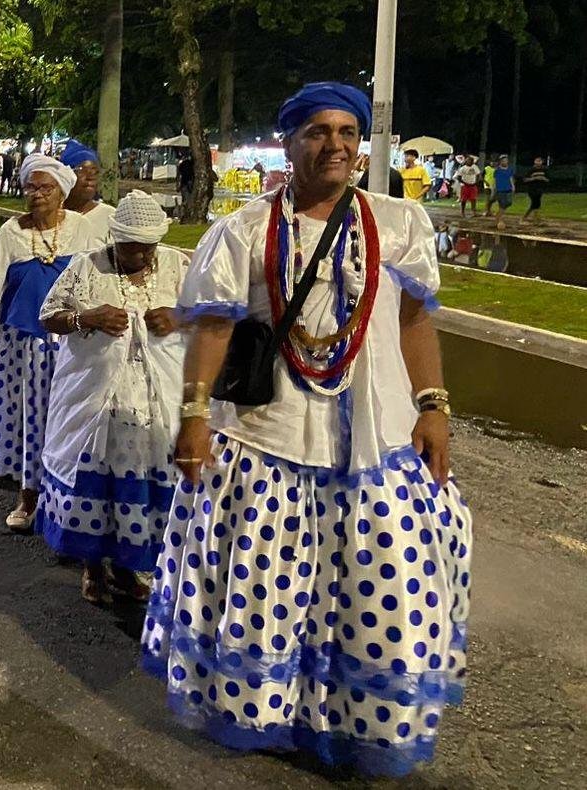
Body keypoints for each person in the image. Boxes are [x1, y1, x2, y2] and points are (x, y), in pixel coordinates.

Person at [147, 82, 472, 776]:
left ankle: (359, 721)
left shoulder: (398, 222)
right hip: (267, 436)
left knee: (379, 583)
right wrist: (194, 417)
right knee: (267, 586)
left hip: (375, 436)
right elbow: (211, 327)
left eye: (347, 133)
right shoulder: (240, 230)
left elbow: (414, 320)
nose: (335, 146)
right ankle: (269, 711)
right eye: (318, 132)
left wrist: (432, 405)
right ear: (288, 143)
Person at [36, 191, 187, 604]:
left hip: (155, 407)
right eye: (129, 247)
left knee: (138, 490)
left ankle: (126, 566)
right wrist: (88, 317)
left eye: (146, 247)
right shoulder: (89, 266)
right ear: (115, 239)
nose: (138, 255)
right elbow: (48, 314)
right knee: (97, 487)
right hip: (98, 404)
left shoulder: (177, 265)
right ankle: (93, 568)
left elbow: (211, 313)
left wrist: (178, 318)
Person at [0, 154, 101, 531]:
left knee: (72, 420)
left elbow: (102, 278)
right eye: (31, 187)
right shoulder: (12, 232)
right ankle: (28, 497)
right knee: (30, 419)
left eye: (45, 188)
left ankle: (68, 500)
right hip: (23, 344)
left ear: (62, 192)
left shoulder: (84, 230)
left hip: (73, 342)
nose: (37, 194)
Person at [60, 139, 117, 240]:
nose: (90, 176)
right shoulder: (52, 216)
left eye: (95, 171)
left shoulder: (111, 218)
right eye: (82, 170)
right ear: (66, 176)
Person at [491, 154, 514, 229]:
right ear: (500, 162)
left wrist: (513, 185)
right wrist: (493, 189)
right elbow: (494, 180)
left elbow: (510, 178)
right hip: (500, 190)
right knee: (502, 204)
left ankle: (498, 216)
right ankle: (498, 220)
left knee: (509, 202)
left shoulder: (510, 169)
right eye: (503, 161)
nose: (505, 162)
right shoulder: (497, 170)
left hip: (508, 189)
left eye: (506, 160)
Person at [522, 155, 548, 222]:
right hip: (532, 189)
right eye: (537, 161)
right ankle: (533, 218)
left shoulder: (544, 170)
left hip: (540, 189)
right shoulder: (531, 170)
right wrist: (534, 178)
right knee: (534, 203)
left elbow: (548, 179)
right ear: (534, 161)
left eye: (540, 161)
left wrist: (544, 179)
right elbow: (525, 179)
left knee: (537, 204)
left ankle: (534, 217)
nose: (538, 162)